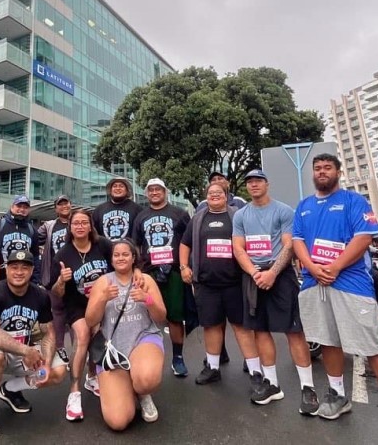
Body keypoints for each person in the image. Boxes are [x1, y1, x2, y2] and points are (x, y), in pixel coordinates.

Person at [292, 154, 378, 445]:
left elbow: (363, 238)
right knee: (328, 340)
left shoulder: (353, 201)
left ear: (338, 172)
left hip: (351, 285)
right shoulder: (304, 206)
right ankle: (337, 395)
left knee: (372, 346)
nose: (321, 172)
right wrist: (311, 267)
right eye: (317, 168)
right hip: (313, 283)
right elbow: (296, 241)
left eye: (327, 168)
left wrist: (334, 267)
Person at [232, 169, 318, 414]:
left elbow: (290, 244)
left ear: (267, 184)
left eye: (258, 181)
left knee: (294, 330)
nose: (254, 185)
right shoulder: (241, 215)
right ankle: (272, 384)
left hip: (281, 276)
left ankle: (307, 387)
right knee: (260, 330)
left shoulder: (283, 210)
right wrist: (254, 272)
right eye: (249, 182)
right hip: (254, 277)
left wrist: (272, 273)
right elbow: (239, 248)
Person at [0, 249, 67, 439]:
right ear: (6, 269)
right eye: (14, 267)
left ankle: (10, 389)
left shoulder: (40, 295)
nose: (19, 272)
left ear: (32, 271)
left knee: (58, 372)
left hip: (23, 352)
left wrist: (47, 364)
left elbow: (48, 331)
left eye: (24, 268)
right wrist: (26, 350)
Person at [179, 183, 258, 387]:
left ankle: (255, 370)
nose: (214, 196)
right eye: (210, 193)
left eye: (219, 193)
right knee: (211, 326)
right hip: (206, 284)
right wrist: (183, 267)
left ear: (226, 196)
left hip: (235, 283)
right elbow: (184, 244)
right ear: (206, 197)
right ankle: (212, 368)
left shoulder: (237, 216)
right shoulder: (197, 219)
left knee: (241, 326)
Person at [85, 239, 166, 430]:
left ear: (133, 258)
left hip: (142, 338)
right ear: (111, 259)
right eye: (116, 255)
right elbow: (90, 321)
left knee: (146, 380)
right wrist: (102, 299)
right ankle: (128, 387)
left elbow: (162, 316)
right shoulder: (103, 282)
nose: (121, 258)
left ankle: (142, 392)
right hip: (113, 349)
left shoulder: (145, 280)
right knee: (118, 422)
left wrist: (148, 300)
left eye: (125, 254)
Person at [49, 209, 113, 421]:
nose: (79, 226)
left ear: (90, 226)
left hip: (102, 301)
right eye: (75, 223)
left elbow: (121, 264)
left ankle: (92, 377)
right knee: (84, 335)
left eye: (84, 222)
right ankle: (74, 393)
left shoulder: (102, 245)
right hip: (76, 305)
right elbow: (56, 292)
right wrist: (61, 281)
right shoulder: (63, 254)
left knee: (100, 337)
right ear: (70, 227)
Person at [133, 178, 191, 377]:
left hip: (173, 271)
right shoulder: (141, 217)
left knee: (175, 317)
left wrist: (186, 266)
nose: (154, 192)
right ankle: (143, 357)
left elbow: (188, 242)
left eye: (158, 189)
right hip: (150, 271)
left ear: (165, 191)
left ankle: (178, 358)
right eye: (151, 190)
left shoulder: (180, 214)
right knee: (146, 315)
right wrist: (137, 269)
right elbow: (135, 245)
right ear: (147, 193)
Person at [38, 195, 72, 355]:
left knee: (76, 313)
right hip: (55, 276)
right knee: (57, 313)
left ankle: (80, 349)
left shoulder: (78, 222)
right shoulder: (50, 226)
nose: (64, 206)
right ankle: (59, 349)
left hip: (76, 274)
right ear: (56, 209)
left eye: (66, 203)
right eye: (60, 204)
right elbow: (34, 239)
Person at [0, 195, 40, 284]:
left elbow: (35, 256)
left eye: (25, 207)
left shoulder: (32, 230)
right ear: (12, 207)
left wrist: (35, 280)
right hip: (1, 280)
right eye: (19, 206)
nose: (22, 209)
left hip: (24, 280)